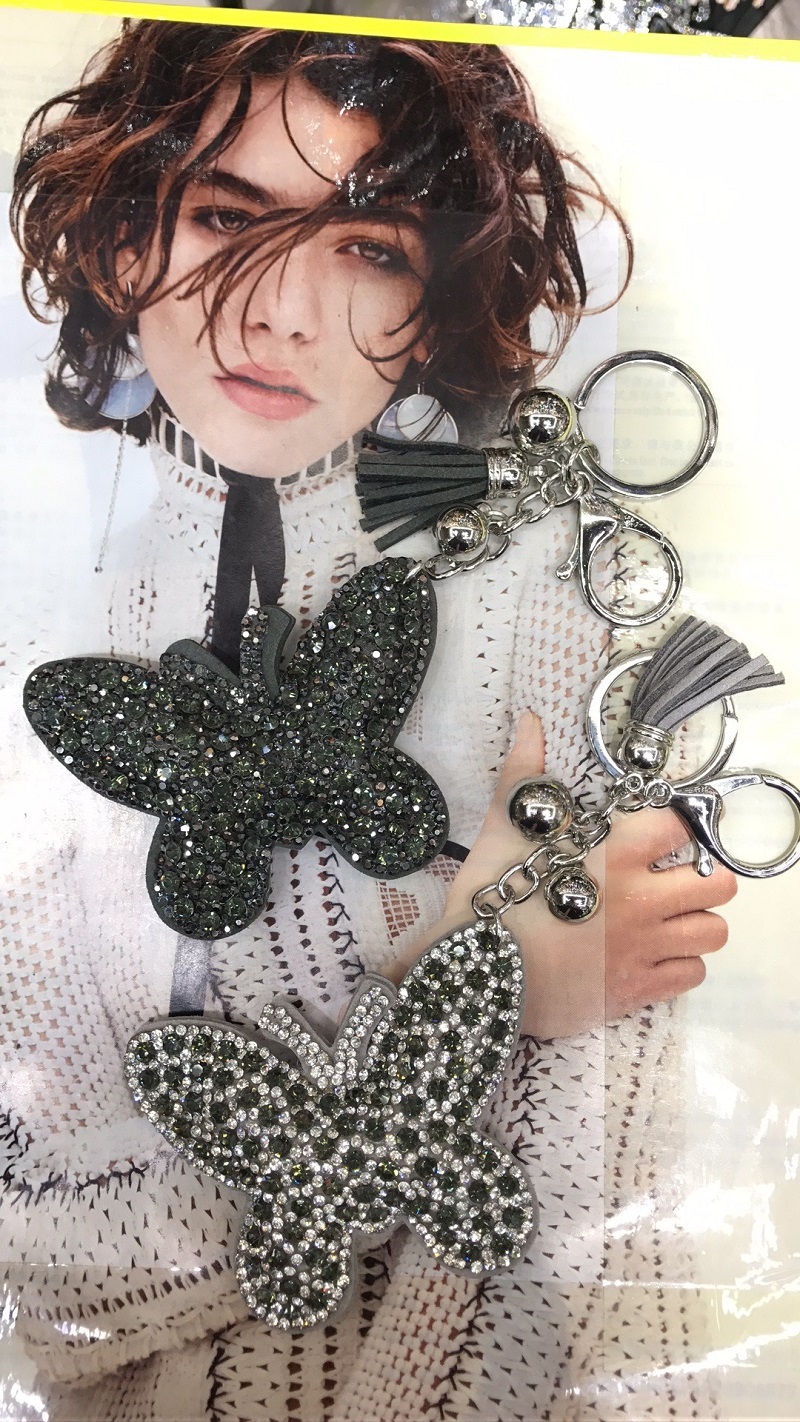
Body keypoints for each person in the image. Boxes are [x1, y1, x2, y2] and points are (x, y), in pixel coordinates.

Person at [2, 21, 735, 1419]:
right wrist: (487, 1004)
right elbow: (40, 1273)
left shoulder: (558, 621)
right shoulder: (28, 671)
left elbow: (605, 1278)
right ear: (124, 240)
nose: (283, 311)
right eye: (228, 216)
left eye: (370, 246)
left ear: (437, 302)